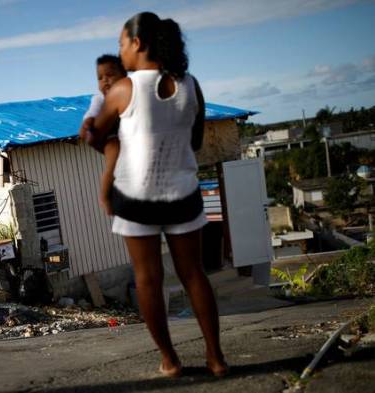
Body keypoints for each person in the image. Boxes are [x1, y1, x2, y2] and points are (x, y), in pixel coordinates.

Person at [83, 12, 228, 378]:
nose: (120, 51)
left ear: (138, 43)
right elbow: (195, 141)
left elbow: (96, 137)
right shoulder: (191, 84)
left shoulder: (124, 89)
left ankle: (170, 360)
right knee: (194, 274)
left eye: (121, 43)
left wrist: (98, 133)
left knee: (148, 279)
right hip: (183, 192)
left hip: (136, 198)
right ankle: (216, 359)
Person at [79, 54, 127, 215]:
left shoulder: (129, 93)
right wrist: (88, 122)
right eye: (100, 78)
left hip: (127, 136)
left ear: (124, 75)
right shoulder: (99, 99)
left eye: (110, 75)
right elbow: (91, 113)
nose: (105, 80)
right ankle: (105, 197)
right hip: (111, 137)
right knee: (113, 163)